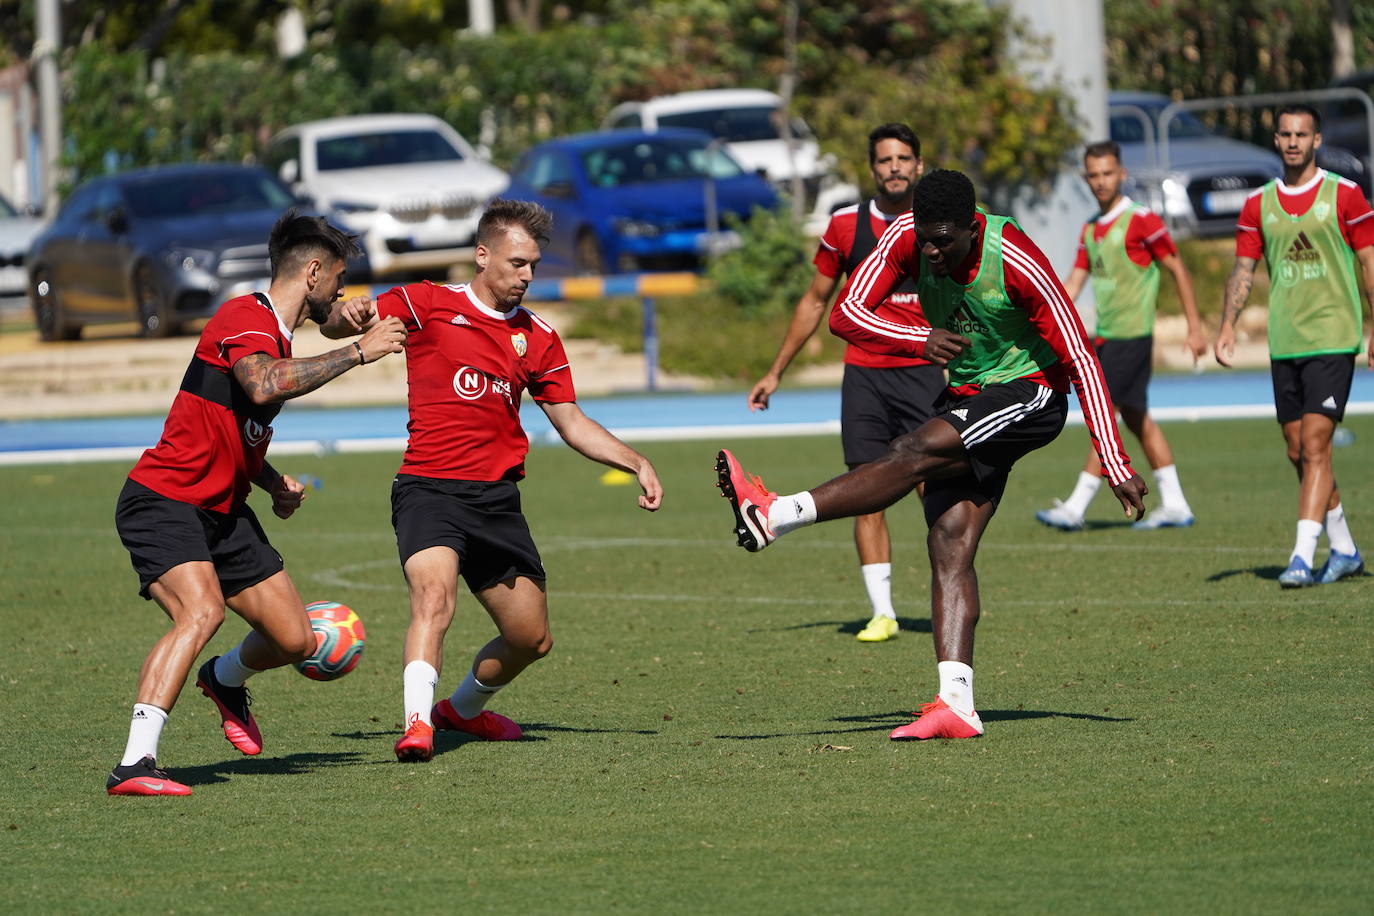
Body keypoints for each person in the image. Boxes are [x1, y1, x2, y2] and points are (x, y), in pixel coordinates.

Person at [716, 169, 1147, 740]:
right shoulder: (903, 237)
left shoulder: (1016, 260)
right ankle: (957, 705)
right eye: (926, 237)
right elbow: (845, 314)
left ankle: (775, 515)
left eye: (945, 238)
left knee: (912, 448)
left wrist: (1112, 460)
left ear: (972, 227)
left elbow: (1079, 358)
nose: (932, 250)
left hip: (1031, 392)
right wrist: (917, 339)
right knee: (949, 540)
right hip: (967, 392)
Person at [350, 199, 663, 763]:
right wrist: (344, 318)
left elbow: (570, 421)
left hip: (496, 502)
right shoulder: (427, 302)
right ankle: (417, 725)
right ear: (482, 255)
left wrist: (635, 461)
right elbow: (343, 319)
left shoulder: (538, 337)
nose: (527, 276)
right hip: (429, 488)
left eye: (534, 265)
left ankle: (460, 712)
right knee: (434, 599)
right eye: (517, 263)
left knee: (531, 638)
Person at [108, 211, 408, 796]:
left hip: (222, 512)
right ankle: (135, 764)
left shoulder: (280, 334)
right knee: (202, 613)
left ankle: (222, 680)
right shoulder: (244, 316)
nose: (341, 292)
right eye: (338, 279)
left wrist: (270, 483)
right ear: (313, 271)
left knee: (295, 640)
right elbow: (263, 384)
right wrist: (358, 353)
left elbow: (233, 423)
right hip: (164, 499)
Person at [747, 123, 943, 643]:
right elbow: (815, 300)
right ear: (872, 168)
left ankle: (950, 591)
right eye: (885, 160)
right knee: (866, 489)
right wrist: (776, 371)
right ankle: (882, 613)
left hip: (923, 374)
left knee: (935, 489)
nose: (895, 167)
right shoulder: (845, 227)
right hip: (865, 376)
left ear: (919, 166)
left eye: (904, 158)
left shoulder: (937, 227)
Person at [1215, 103, 1374, 587]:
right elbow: (1244, 270)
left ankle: (1302, 557)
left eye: (1301, 134)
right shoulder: (1257, 204)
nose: (1292, 142)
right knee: (1296, 451)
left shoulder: (1345, 195)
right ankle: (1344, 548)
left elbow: (1369, 262)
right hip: (1285, 340)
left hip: (1333, 335)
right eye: (1284, 133)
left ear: (1317, 141)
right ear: (1277, 139)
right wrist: (1227, 326)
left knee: (1315, 444)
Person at [1036, 140, 1207, 532]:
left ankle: (1076, 506)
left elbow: (1177, 269)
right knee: (1137, 419)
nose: (1100, 181)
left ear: (1122, 174)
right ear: (1085, 178)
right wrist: (1043, 317)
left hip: (1133, 336)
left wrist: (1195, 328)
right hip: (1107, 337)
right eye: (1093, 175)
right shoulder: (1091, 228)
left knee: (1104, 416)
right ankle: (1177, 503)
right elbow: (1075, 282)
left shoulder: (1142, 221)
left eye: (1107, 173)